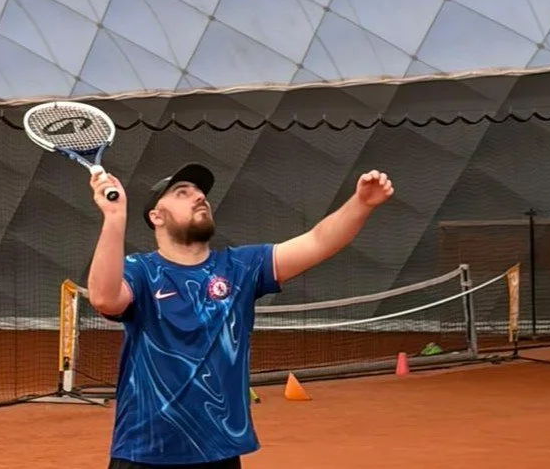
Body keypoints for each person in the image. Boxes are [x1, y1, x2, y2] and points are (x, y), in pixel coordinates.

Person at [87, 162, 394, 469]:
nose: (199, 197)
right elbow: (104, 298)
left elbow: (317, 241)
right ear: (157, 216)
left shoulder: (241, 267)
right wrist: (114, 218)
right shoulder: (141, 271)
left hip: (218, 449)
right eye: (182, 192)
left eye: (200, 192)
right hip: (145, 450)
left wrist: (361, 203)